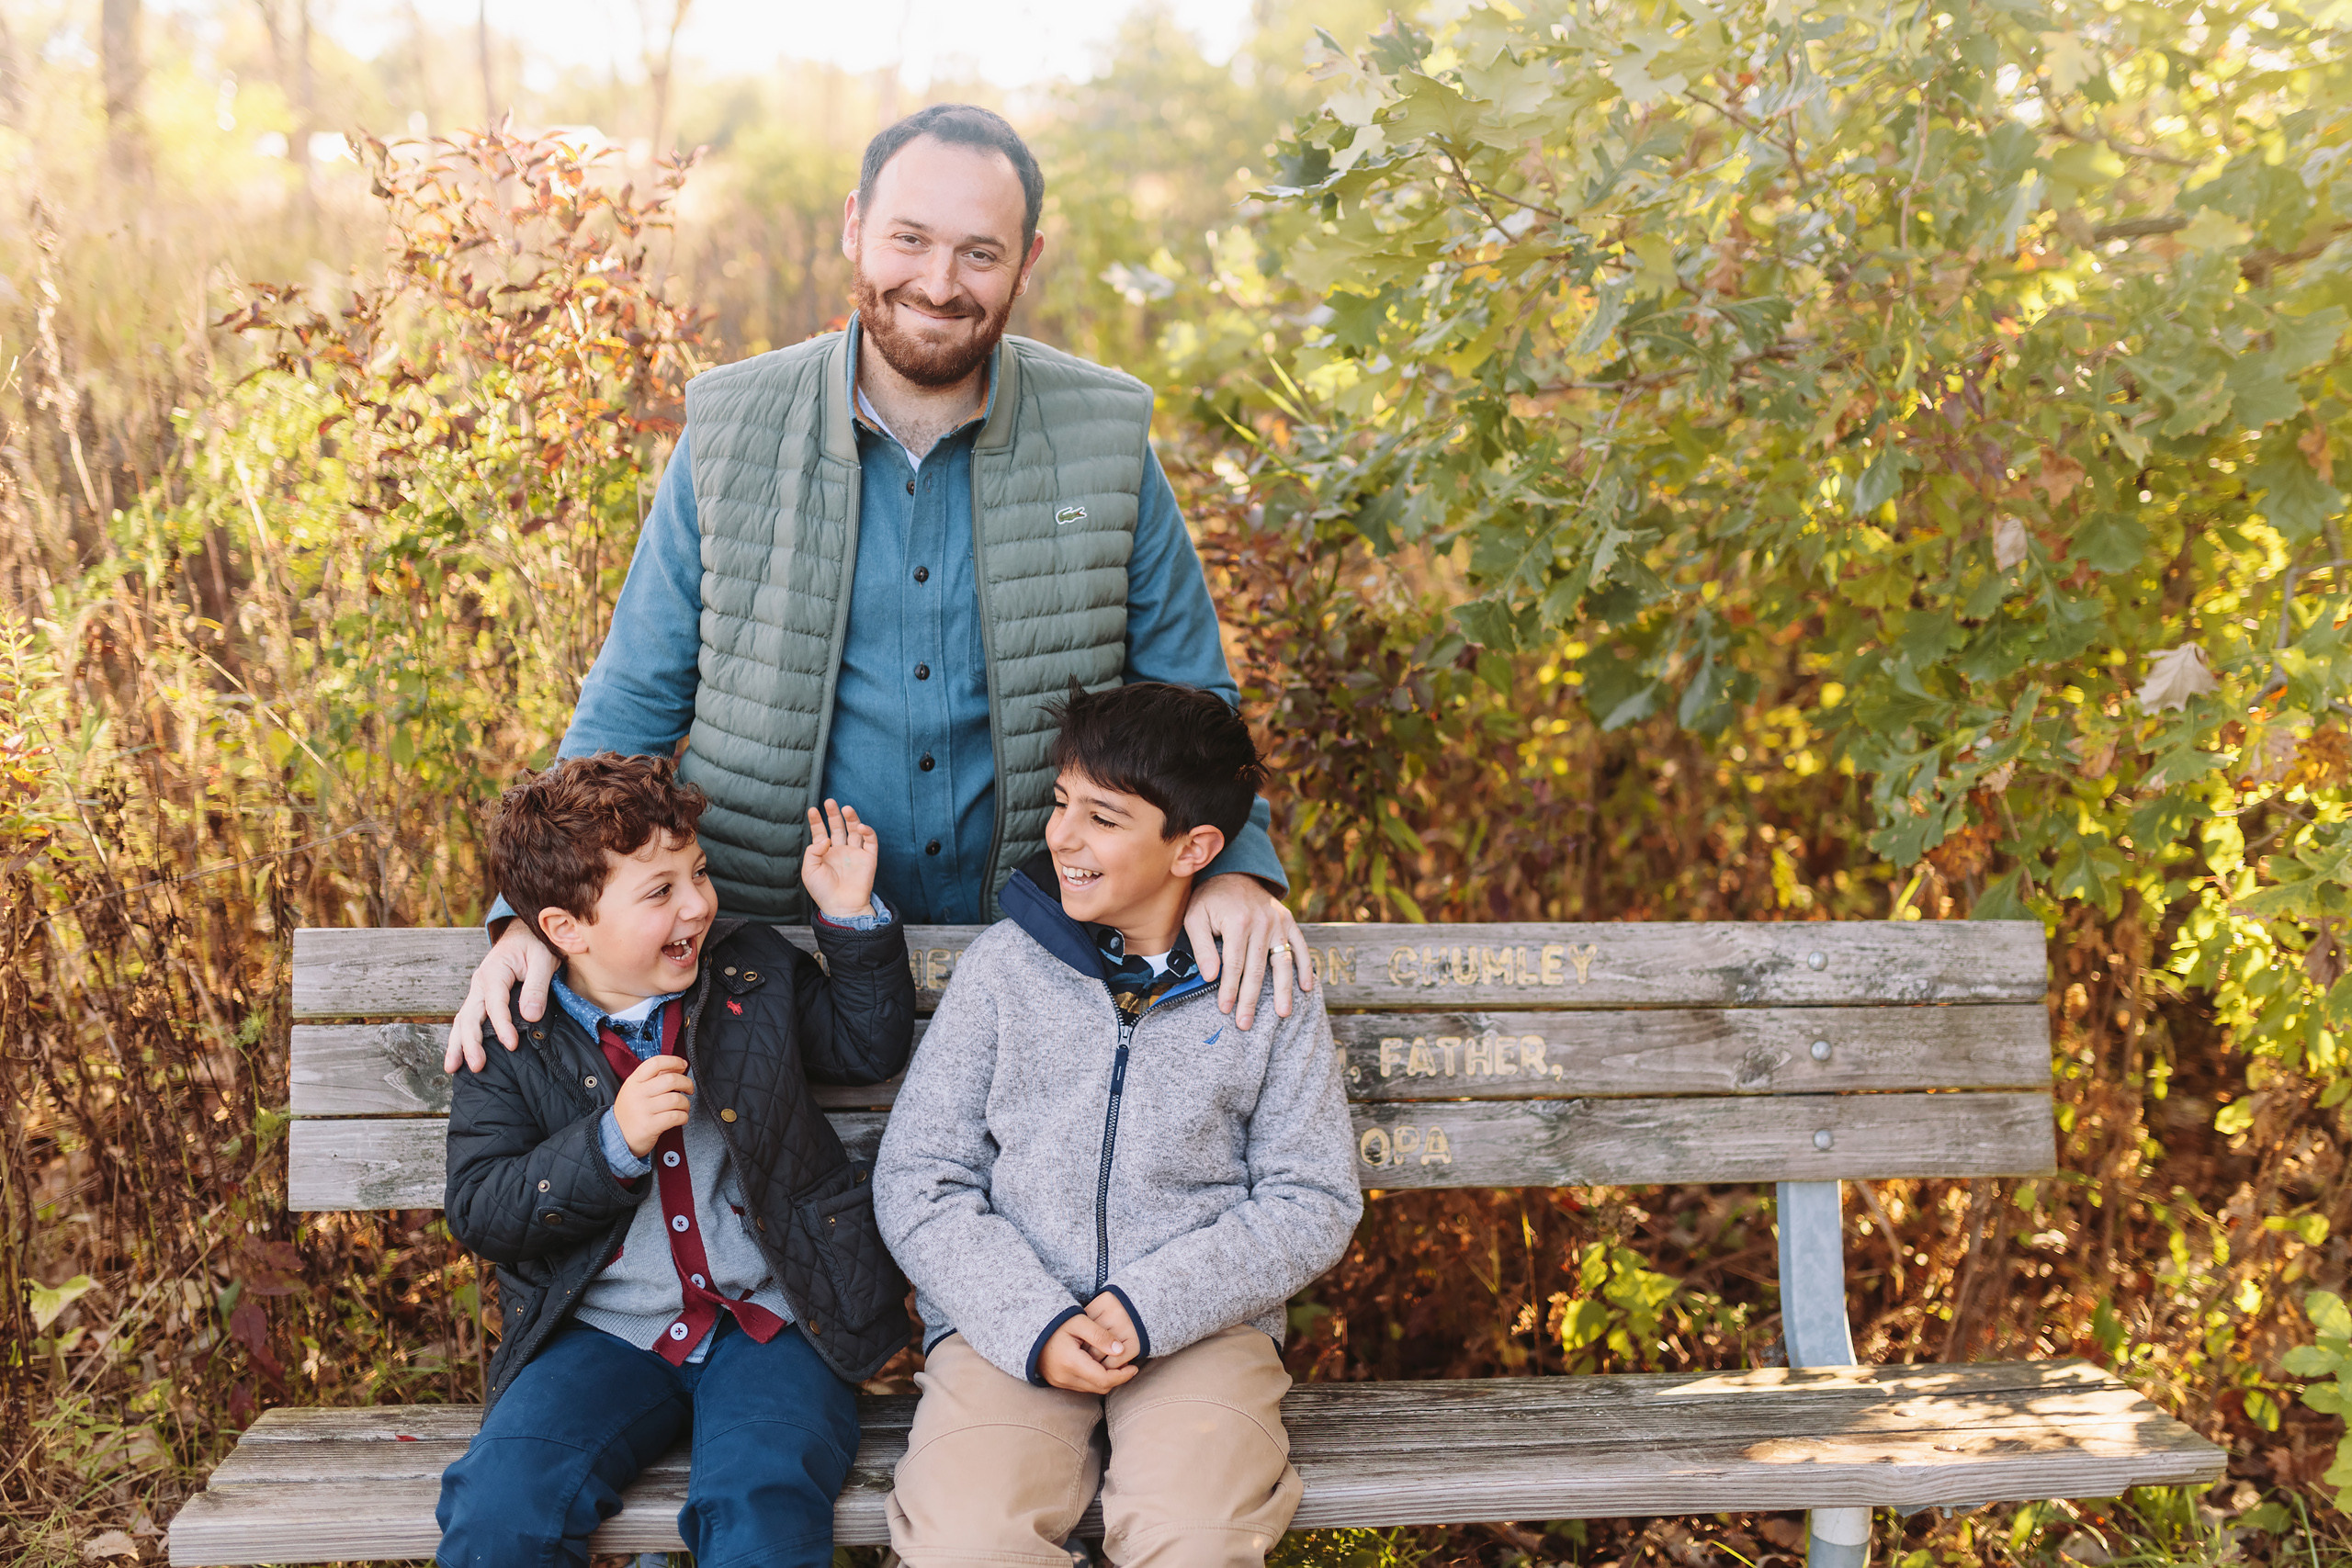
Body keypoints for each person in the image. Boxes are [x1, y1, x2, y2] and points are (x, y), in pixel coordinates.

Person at [447, 102, 1312, 1076]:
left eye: (980, 254)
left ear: (1028, 261)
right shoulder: (731, 431)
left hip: (1041, 960)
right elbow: (634, 700)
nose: (938, 284)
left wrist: (1235, 870)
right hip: (780, 974)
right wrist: (531, 915)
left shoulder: (1104, 438)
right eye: (910, 239)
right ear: (856, 226)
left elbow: (1195, 702)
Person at [873, 682, 1362, 1567]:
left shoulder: (1264, 986)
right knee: (968, 1543)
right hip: (1007, 1329)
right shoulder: (1005, 970)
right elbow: (919, 1175)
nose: (1063, 835)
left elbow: (1312, 1196)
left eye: (1104, 817)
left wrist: (1149, 1308)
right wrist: (1031, 1321)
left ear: (1196, 847)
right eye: (1062, 803)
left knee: (1199, 1540)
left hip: (1200, 1332)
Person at [435, 753, 915, 1568]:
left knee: (760, 1501)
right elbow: (481, 1206)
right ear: (564, 928)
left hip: (776, 1317)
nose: (697, 903)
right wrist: (607, 1144)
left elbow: (864, 1045)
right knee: (500, 1506)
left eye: (697, 872)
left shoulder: (749, 973)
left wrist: (849, 916)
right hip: (601, 1330)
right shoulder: (517, 1035)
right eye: (659, 892)